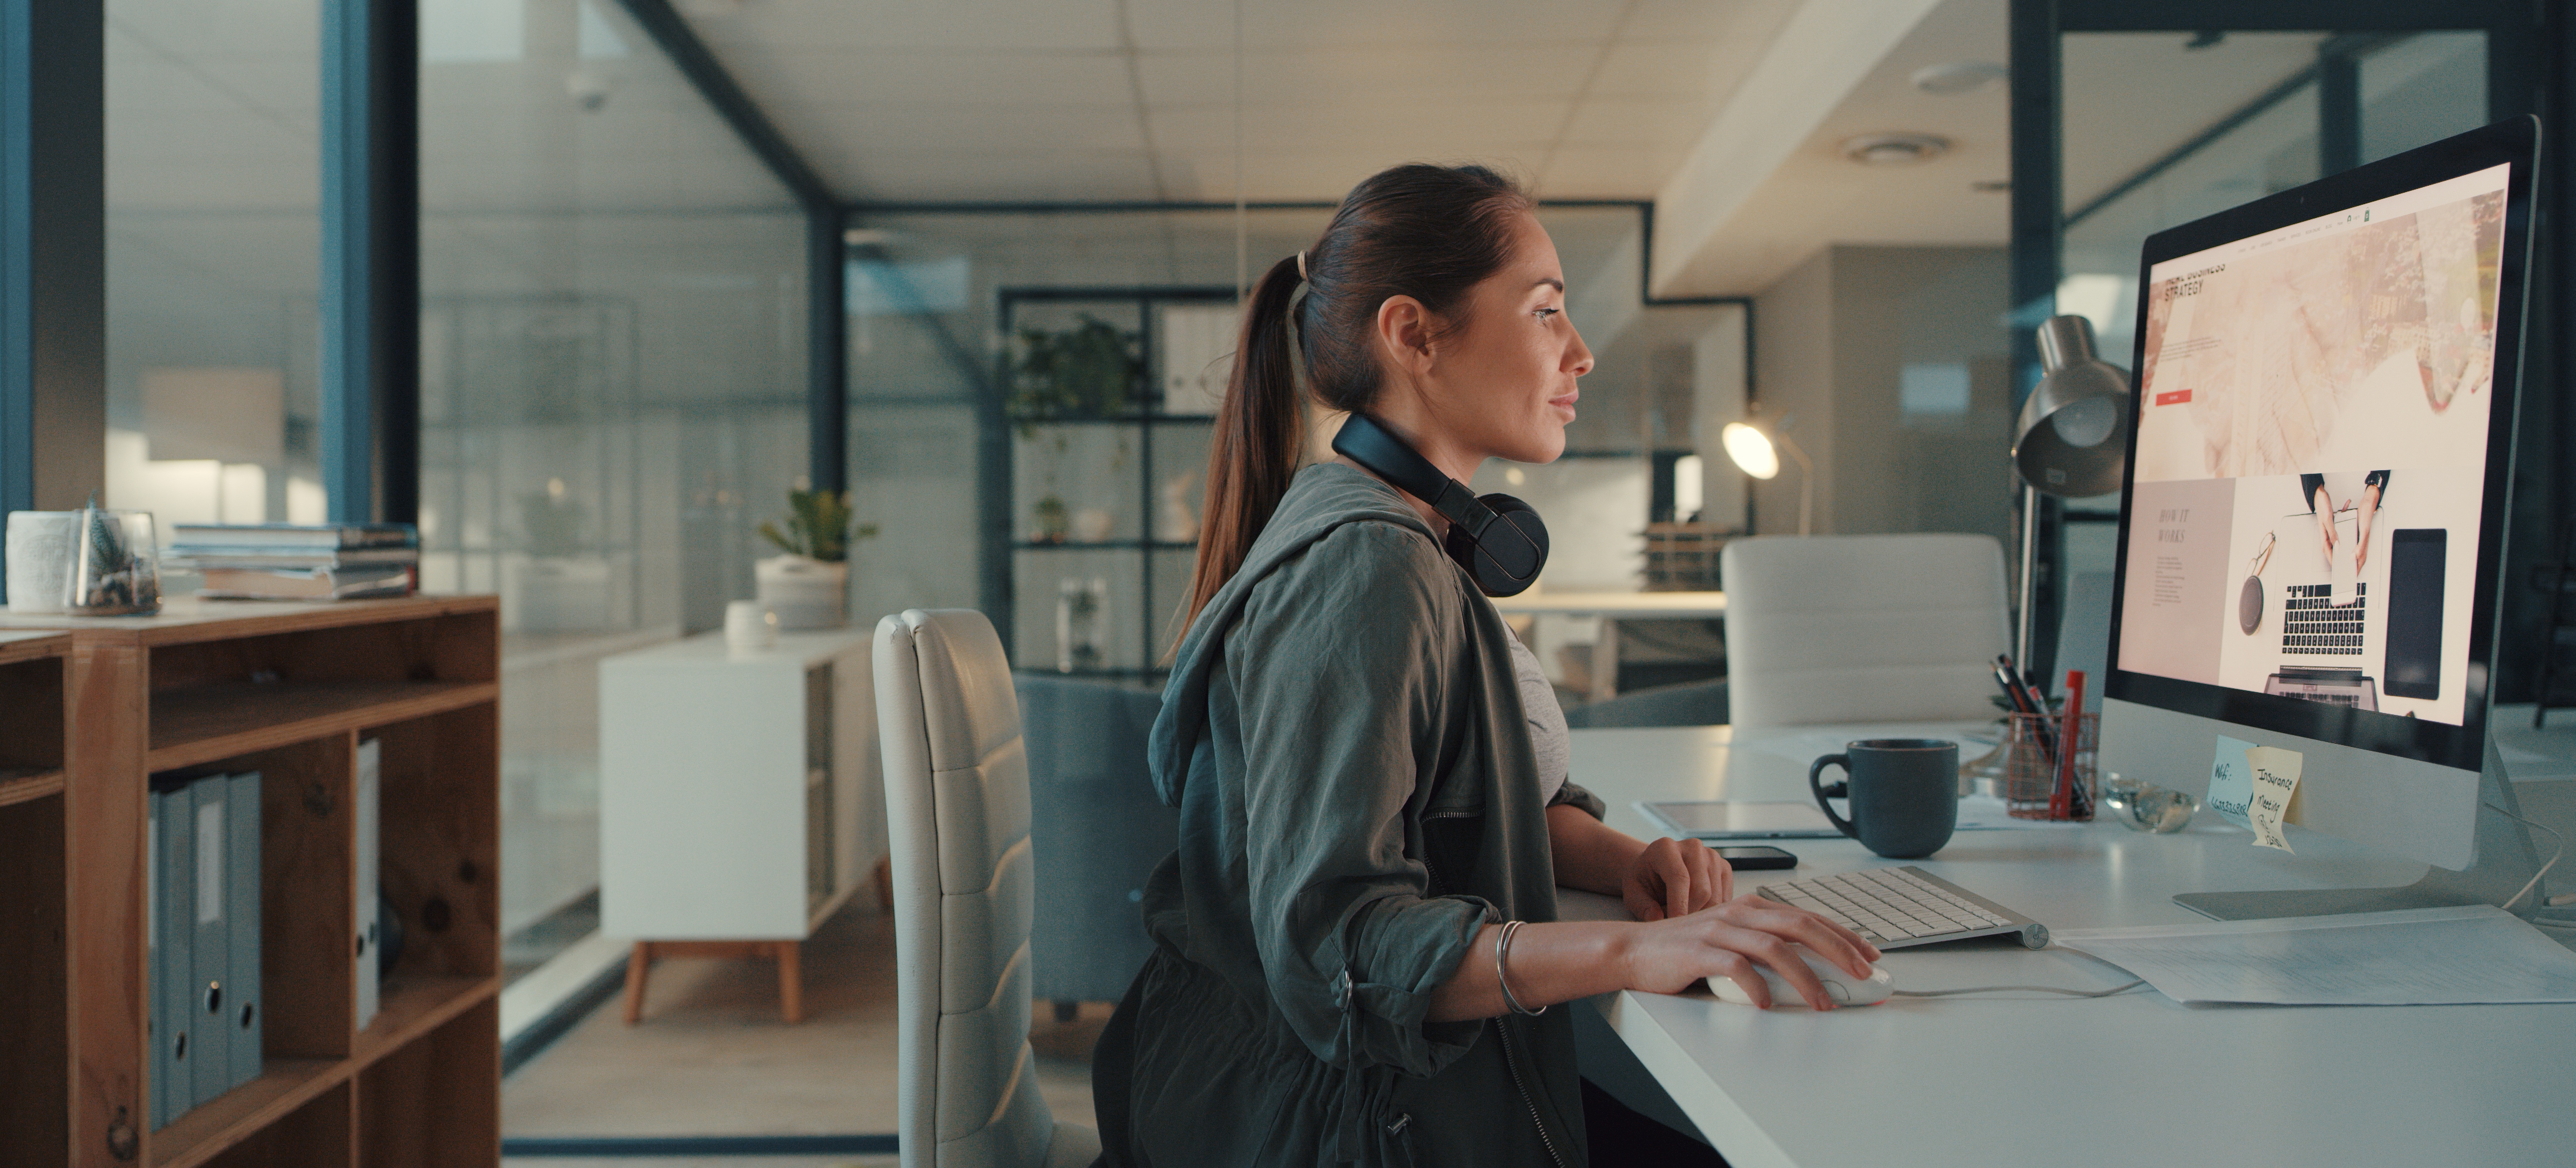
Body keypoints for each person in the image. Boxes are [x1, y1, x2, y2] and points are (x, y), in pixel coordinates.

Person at [1088, 164, 1879, 1168]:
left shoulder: (1404, 533)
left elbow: (1467, 806)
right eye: (1547, 312)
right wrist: (1633, 950)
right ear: (1414, 335)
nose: (1581, 353)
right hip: (1326, 1122)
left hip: (1352, 1091)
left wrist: (1630, 863)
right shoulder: (1368, 564)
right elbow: (1340, 949)